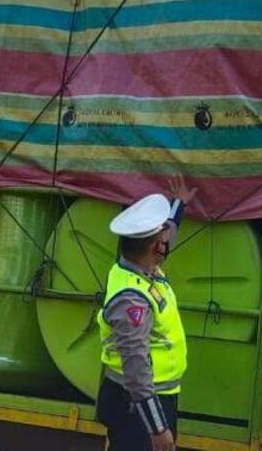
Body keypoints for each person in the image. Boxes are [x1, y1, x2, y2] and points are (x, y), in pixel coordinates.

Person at [96, 177, 196, 451]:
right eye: (162, 237)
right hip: (137, 406)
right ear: (155, 247)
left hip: (153, 397)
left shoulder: (139, 266)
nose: (168, 238)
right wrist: (157, 428)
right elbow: (136, 369)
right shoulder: (131, 300)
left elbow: (168, 234)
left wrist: (179, 206)